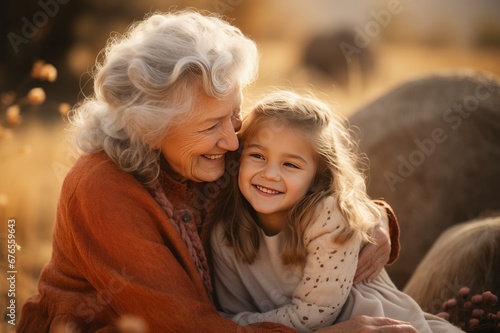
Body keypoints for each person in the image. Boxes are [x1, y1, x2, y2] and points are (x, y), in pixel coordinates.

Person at [18, 10, 412, 333]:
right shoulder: (102, 191)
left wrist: (372, 219)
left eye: (235, 115)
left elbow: (309, 187)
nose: (233, 140)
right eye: (211, 126)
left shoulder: (216, 153)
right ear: (151, 128)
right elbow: (188, 328)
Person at [210, 91, 462, 333]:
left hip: (384, 324)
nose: (270, 174)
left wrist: (238, 324)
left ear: (318, 177)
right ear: (239, 158)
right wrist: (234, 323)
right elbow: (231, 315)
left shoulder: (329, 216)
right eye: (257, 155)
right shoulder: (224, 235)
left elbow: (313, 315)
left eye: (290, 164)